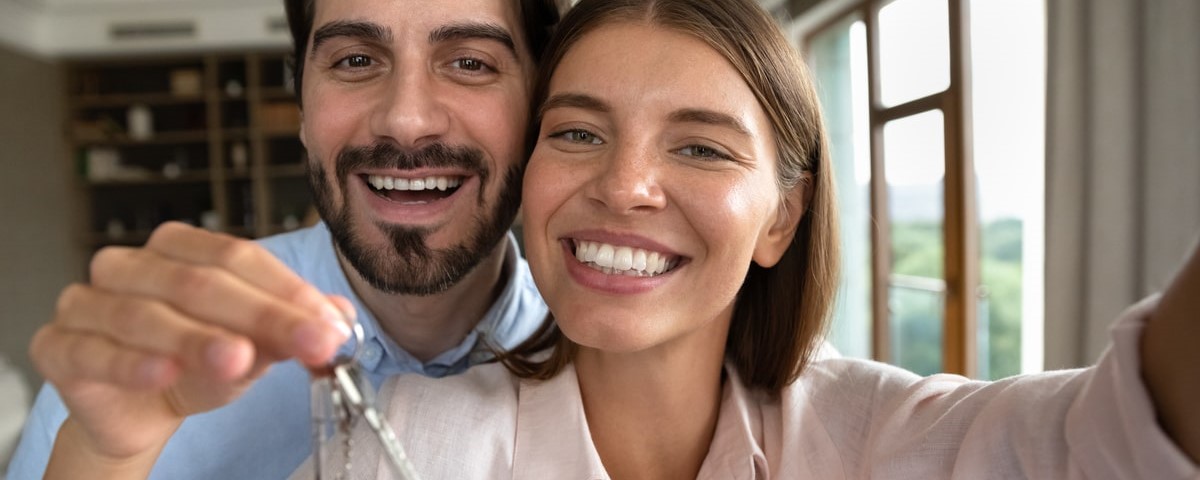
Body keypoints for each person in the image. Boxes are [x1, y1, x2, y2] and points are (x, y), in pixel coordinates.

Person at [39, 0, 1200, 478]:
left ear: (783, 215)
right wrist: (101, 442)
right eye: (583, 132)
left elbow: (1118, 430)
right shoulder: (424, 438)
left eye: (700, 147)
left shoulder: (882, 436)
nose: (624, 188)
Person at [9, 0, 559, 479]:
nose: (406, 120)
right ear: (301, 105)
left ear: (540, 107)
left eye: (470, 63)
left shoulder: (596, 364)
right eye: (356, 60)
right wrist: (98, 459)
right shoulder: (150, 357)